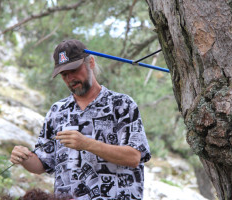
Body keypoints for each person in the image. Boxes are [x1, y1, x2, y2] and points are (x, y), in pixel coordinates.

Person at [10, 39, 151, 200]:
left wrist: (87, 144)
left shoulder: (122, 104)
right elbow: (42, 164)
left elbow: (133, 157)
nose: (70, 78)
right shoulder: (57, 111)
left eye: (74, 70)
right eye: (64, 74)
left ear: (90, 62)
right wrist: (25, 158)